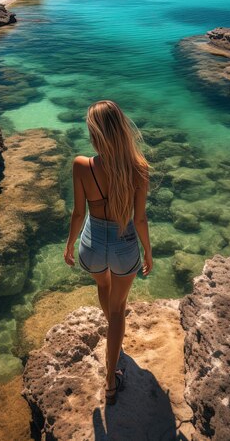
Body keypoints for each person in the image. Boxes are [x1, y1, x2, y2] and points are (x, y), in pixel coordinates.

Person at [64, 100, 153, 405]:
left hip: (91, 244)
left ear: (96, 134)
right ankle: (110, 378)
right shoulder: (139, 168)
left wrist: (69, 244)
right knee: (118, 311)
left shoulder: (80, 165)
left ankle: (113, 339)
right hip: (124, 244)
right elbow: (139, 219)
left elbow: (78, 213)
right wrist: (149, 252)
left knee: (104, 288)